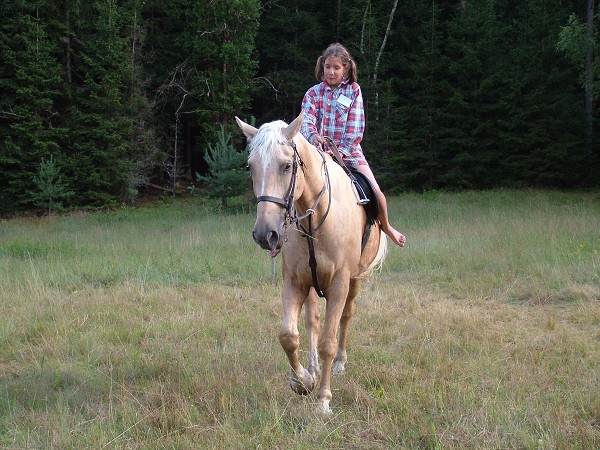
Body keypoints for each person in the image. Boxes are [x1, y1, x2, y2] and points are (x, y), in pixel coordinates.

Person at [301, 43, 406, 247]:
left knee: (376, 193)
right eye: (327, 67)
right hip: (318, 155)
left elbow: (355, 129)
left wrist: (338, 152)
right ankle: (281, 241)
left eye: (336, 68)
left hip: (349, 154)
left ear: (345, 69)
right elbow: (306, 121)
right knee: (294, 190)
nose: (331, 72)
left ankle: (387, 227)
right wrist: (313, 136)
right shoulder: (313, 93)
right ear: (322, 67)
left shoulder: (353, 91)